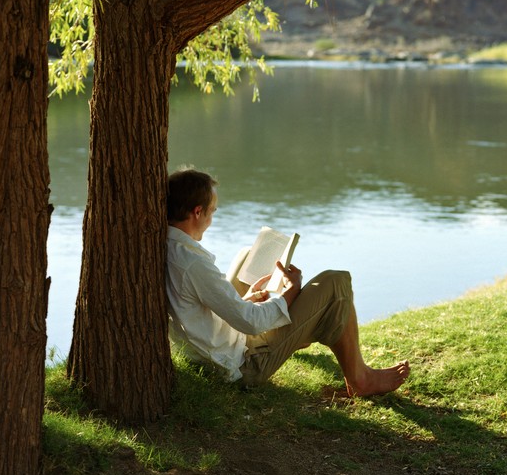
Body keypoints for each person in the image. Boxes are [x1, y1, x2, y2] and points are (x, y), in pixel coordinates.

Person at [165, 167, 410, 396]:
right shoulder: (192, 263)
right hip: (241, 366)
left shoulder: (171, 246)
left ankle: (305, 328)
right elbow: (249, 322)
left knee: (246, 256)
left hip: (215, 347)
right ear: (197, 212)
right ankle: (361, 379)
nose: (212, 218)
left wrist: (245, 301)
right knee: (337, 283)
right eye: (212, 211)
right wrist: (289, 293)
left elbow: (197, 308)